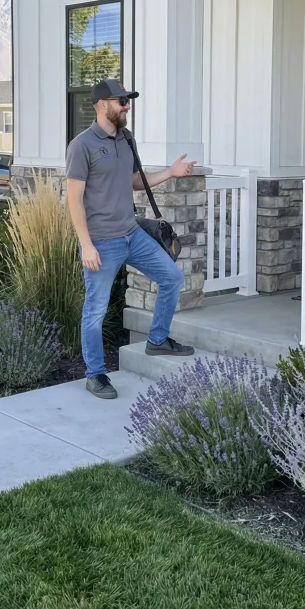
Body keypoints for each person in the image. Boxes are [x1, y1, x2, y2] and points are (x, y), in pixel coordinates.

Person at [66, 78, 196, 399]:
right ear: (102, 105)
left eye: (128, 100)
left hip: (131, 233)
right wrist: (86, 244)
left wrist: (170, 172)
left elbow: (135, 181)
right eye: (121, 101)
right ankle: (95, 374)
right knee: (95, 311)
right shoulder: (81, 146)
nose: (127, 106)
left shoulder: (126, 139)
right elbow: (74, 199)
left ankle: (157, 340)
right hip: (101, 241)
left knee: (172, 277)